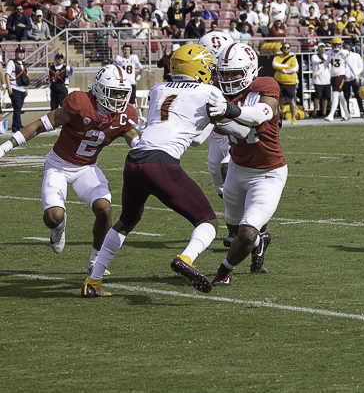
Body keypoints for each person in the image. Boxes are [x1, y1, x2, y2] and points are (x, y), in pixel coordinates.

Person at [83, 45, 221, 298]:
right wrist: (213, 121)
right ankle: (186, 258)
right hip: (162, 164)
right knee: (208, 221)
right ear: (199, 67)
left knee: (126, 222)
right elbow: (199, 140)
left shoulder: (159, 88)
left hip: (134, 161)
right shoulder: (210, 91)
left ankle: (93, 281)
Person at [0, 65, 138, 277]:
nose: (119, 98)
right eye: (114, 93)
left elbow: (132, 137)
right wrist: (5, 147)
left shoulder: (124, 115)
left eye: (122, 93)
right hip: (58, 165)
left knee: (104, 209)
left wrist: (143, 146)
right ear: (99, 90)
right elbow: (38, 125)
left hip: (86, 168)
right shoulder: (80, 104)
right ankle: (59, 226)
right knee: (53, 217)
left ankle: (96, 261)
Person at [209, 43, 288, 286]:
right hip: (236, 168)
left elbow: (261, 114)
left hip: (268, 172)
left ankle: (224, 272)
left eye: (236, 73)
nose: (230, 79)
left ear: (251, 70)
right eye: (226, 73)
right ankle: (259, 242)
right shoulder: (216, 93)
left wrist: (228, 111)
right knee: (234, 230)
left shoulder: (265, 85)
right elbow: (237, 129)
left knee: (246, 232)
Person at [197, 32, 234, 245]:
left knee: (226, 169)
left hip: (234, 131)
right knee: (220, 185)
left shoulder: (235, 70)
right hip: (215, 134)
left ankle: (237, 228)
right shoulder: (204, 75)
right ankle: (238, 220)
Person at [315, 37, 357, 122]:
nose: (336, 46)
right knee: (341, 96)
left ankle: (331, 115)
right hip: (333, 76)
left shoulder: (344, 53)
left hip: (340, 76)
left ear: (341, 45)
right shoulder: (330, 53)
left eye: (338, 44)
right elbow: (325, 64)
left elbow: (350, 65)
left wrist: (356, 76)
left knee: (335, 94)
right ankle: (347, 114)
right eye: (335, 45)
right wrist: (318, 72)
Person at [113, 44, 144, 116]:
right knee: (121, 100)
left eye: (127, 50)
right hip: (122, 84)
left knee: (132, 102)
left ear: (130, 51)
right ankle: (122, 115)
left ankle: (131, 115)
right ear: (122, 51)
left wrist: (137, 80)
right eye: (124, 50)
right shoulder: (119, 58)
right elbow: (113, 67)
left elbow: (141, 69)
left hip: (131, 83)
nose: (126, 51)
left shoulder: (133, 58)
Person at [272, 42, 299, 124]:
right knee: (280, 102)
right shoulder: (277, 57)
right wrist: (287, 67)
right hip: (279, 82)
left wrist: (282, 69)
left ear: (290, 49)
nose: (286, 49)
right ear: (282, 48)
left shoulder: (293, 58)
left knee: (292, 101)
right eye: (284, 47)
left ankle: (293, 118)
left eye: (288, 48)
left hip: (290, 83)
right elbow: (274, 64)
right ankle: (279, 118)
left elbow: (294, 68)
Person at [5, 46, 29, 132]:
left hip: (22, 89)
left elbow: (25, 77)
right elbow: (7, 74)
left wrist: (26, 88)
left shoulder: (24, 64)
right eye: (19, 52)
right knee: (17, 107)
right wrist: (9, 87)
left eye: (23, 52)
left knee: (18, 108)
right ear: (16, 54)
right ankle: (18, 125)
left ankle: (15, 126)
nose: (21, 54)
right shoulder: (11, 62)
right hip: (14, 88)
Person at [342, 42, 364, 118]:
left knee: (358, 95)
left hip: (354, 78)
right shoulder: (341, 56)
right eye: (345, 48)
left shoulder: (356, 56)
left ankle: (361, 112)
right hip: (345, 79)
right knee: (346, 96)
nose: (346, 49)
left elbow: (360, 67)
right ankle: (347, 113)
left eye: (348, 47)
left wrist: (356, 75)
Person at [311, 43, 330, 119]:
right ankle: (314, 112)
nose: (322, 49)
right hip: (318, 80)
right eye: (320, 47)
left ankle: (324, 113)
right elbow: (314, 62)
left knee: (325, 97)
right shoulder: (314, 56)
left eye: (323, 47)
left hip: (326, 79)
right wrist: (321, 61)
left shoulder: (327, 56)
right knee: (317, 97)